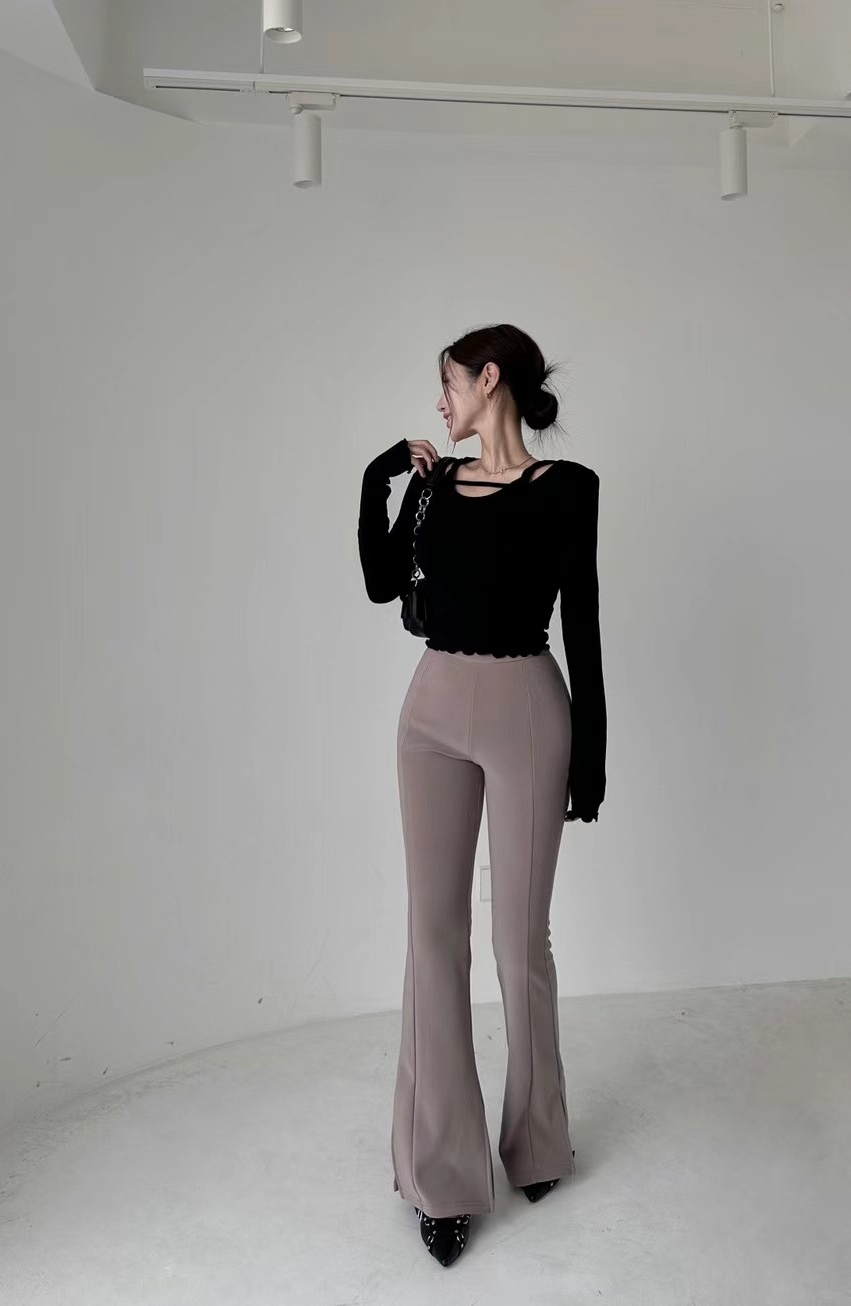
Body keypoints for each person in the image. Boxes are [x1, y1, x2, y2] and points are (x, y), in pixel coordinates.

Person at [357, 323, 606, 1267]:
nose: (440, 403)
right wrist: (381, 478)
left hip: (526, 712)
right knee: (431, 936)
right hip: (430, 714)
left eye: (449, 385)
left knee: (516, 942)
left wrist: (593, 751)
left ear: (488, 379)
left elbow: (582, 624)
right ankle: (443, 1174)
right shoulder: (434, 486)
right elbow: (383, 583)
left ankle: (537, 1139)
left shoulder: (568, 489)